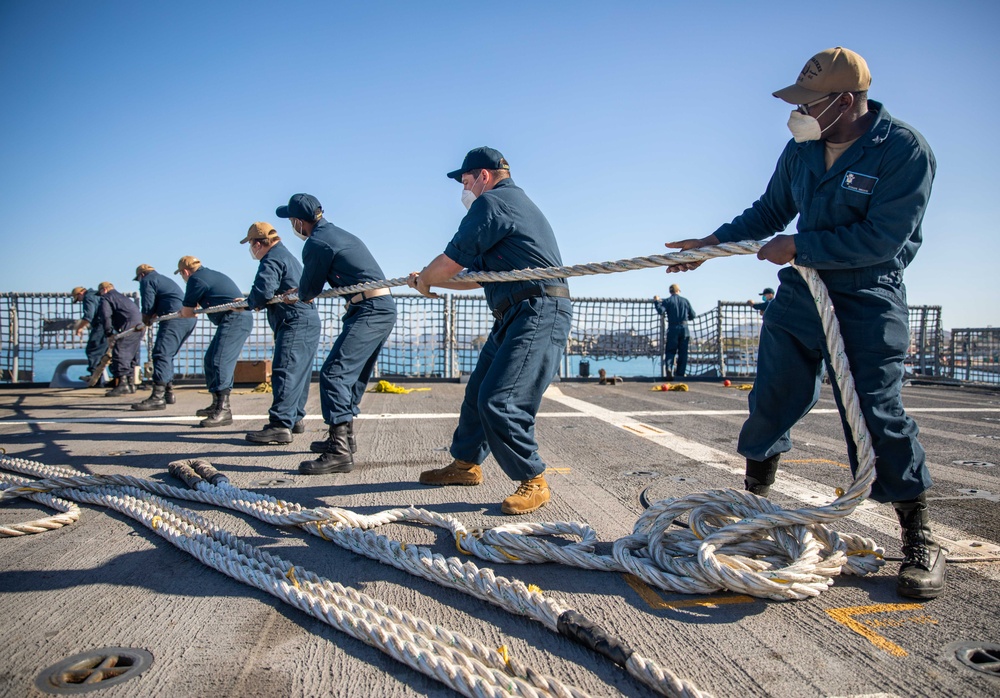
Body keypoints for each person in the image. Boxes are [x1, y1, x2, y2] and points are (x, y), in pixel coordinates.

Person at [664, 47, 944, 599]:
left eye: (809, 104)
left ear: (847, 101)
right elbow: (768, 210)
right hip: (800, 295)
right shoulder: (801, 151)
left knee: (875, 412)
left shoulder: (904, 151)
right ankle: (753, 511)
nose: (799, 113)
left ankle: (920, 537)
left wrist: (801, 244)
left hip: (867, 295)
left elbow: (882, 239)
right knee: (772, 397)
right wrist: (712, 245)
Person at [409, 147, 572, 515]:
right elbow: (471, 278)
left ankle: (534, 478)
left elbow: (450, 263)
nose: (463, 190)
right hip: (514, 310)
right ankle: (466, 465)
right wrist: (430, 279)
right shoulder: (504, 210)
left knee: (500, 400)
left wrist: (426, 279)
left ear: (483, 176)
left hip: (538, 309)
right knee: (477, 393)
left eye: (465, 181)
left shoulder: (493, 204)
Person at [276, 194, 396, 474]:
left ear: (298, 221)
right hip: (379, 305)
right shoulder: (335, 233)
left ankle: (339, 451)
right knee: (350, 375)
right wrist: (303, 291)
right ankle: (344, 437)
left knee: (335, 372)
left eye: (291, 221)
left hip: (369, 308)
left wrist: (296, 295)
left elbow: (307, 293)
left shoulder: (317, 243)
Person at [240, 222, 321, 444]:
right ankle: (294, 418)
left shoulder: (272, 258)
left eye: (251, 244)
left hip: (293, 321)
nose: (251, 249)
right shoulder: (287, 256)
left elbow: (264, 290)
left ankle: (279, 425)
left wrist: (249, 303)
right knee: (299, 373)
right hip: (308, 320)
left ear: (257, 243)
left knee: (285, 370)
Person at [176, 255, 254, 428]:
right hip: (235, 318)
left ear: (185, 272)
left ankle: (224, 409)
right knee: (210, 359)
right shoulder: (206, 276)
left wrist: (185, 310)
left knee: (219, 360)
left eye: (182, 275)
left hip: (236, 318)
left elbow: (188, 312)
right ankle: (216, 404)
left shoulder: (195, 279)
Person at [131, 264, 198, 411]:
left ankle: (157, 397)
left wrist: (146, 319)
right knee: (167, 355)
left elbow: (148, 304)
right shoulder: (162, 279)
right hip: (187, 319)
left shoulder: (147, 280)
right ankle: (168, 393)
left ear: (141, 275)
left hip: (174, 318)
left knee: (161, 354)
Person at [97, 281, 145, 396]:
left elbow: (105, 316)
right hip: (139, 326)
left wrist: (108, 333)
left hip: (128, 327)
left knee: (120, 353)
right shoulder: (122, 298)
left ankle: (122, 384)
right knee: (131, 355)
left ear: (104, 290)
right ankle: (131, 383)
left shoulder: (106, 298)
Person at [652, 283, 696, 379]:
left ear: (670, 291)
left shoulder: (668, 301)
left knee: (670, 351)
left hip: (672, 328)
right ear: (678, 291)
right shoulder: (685, 301)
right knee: (683, 353)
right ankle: (680, 373)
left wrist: (656, 301)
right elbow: (693, 315)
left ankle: (668, 368)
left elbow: (661, 311)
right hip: (684, 328)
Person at [71, 286, 108, 385]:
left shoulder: (88, 297)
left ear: (80, 294)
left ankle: (95, 379)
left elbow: (88, 316)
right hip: (110, 325)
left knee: (93, 350)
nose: (79, 301)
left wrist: (79, 327)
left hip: (100, 326)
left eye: (78, 299)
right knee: (109, 353)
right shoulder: (99, 295)